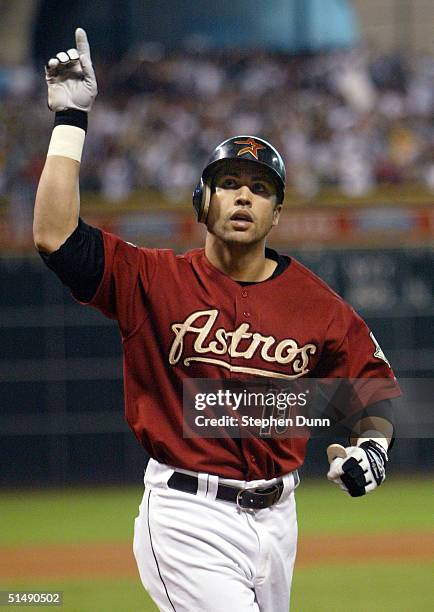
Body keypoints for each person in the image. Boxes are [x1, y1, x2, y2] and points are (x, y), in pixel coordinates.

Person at [34, 30, 400, 612]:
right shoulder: (151, 279)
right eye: (229, 183)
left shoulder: (318, 305)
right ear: (202, 201)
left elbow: (371, 393)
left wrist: (371, 451)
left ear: (277, 214)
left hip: (280, 520)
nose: (244, 197)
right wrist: (71, 120)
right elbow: (55, 236)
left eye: (260, 189)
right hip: (188, 515)